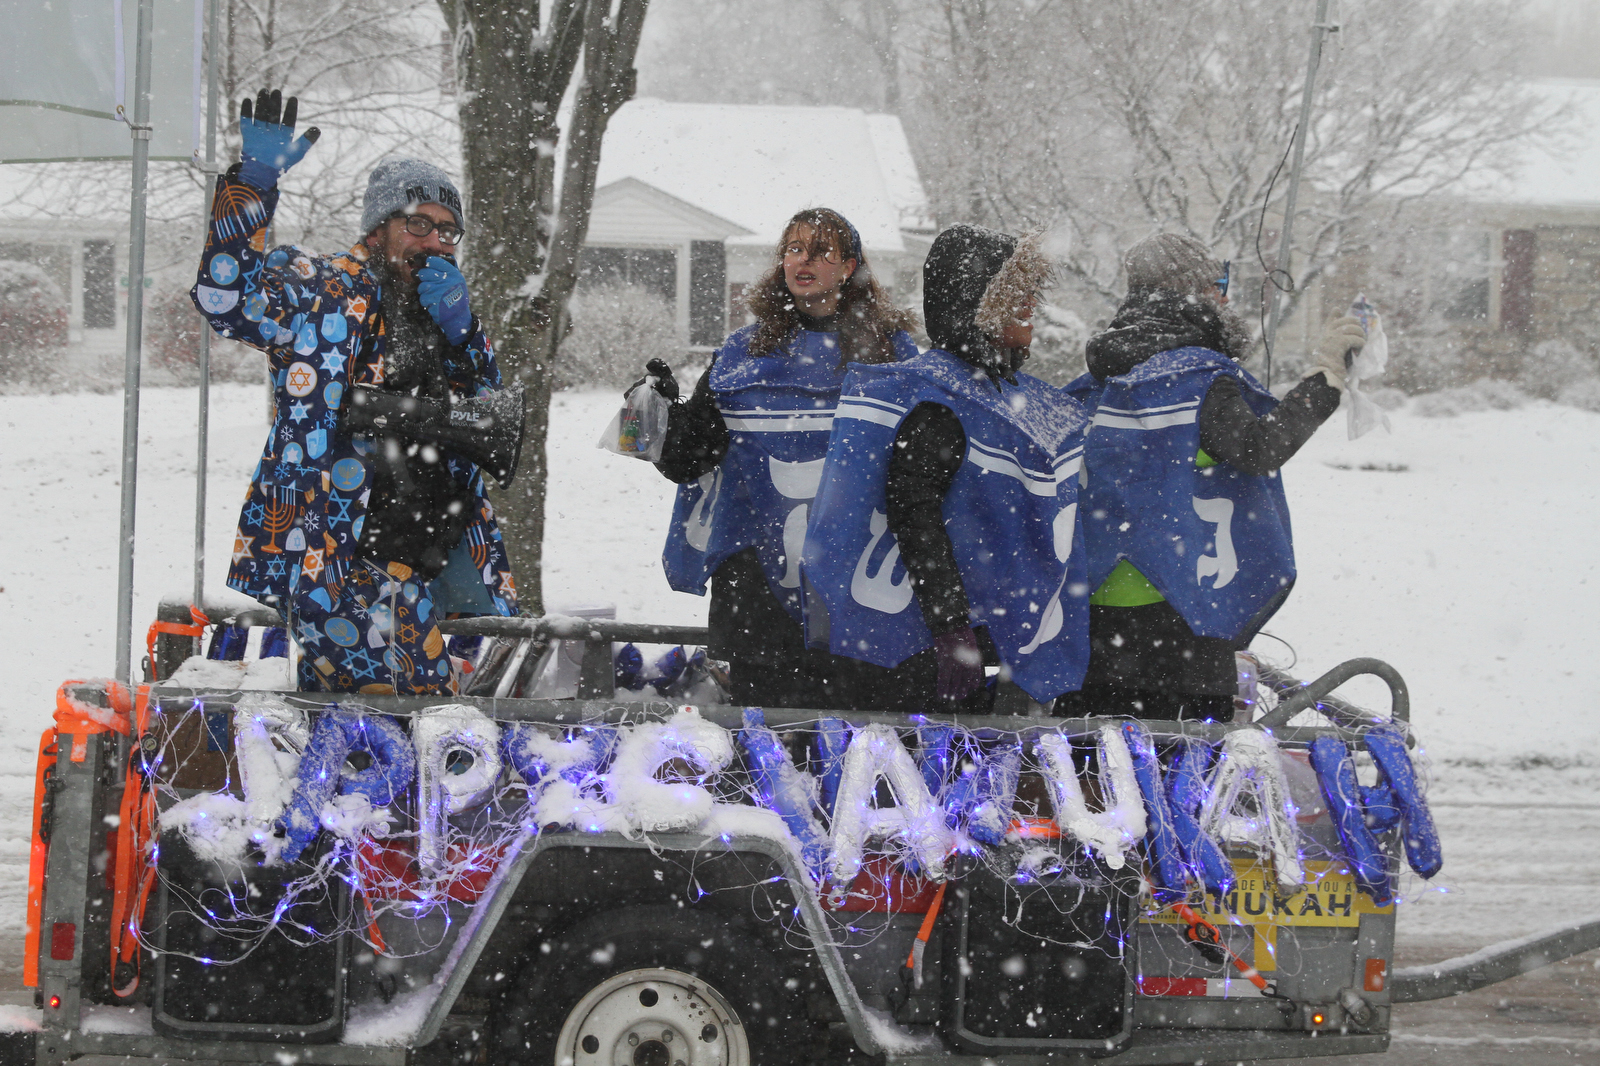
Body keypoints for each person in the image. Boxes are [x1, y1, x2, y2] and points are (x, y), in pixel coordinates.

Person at [191, 88, 518, 695]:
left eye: (449, 231)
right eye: (418, 222)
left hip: (419, 567)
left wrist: (465, 332)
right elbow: (225, 297)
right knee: (376, 728)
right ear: (381, 224)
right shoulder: (325, 291)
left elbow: (491, 422)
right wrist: (253, 183)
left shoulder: (445, 313)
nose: (434, 241)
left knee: (410, 729)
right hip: (336, 558)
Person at [1060, 232, 1367, 720]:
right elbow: (1259, 447)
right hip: (1182, 610)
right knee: (1187, 771)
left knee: (1096, 773)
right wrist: (1327, 377)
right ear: (1194, 290)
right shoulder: (1198, 380)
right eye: (1218, 282)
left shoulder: (1096, 386)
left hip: (1092, 617)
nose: (1224, 295)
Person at [802, 224, 1092, 710]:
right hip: (919, 645)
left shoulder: (992, 391)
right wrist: (951, 628)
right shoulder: (942, 401)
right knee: (925, 772)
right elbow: (913, 512)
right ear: (975, 304)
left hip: (967, 635)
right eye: (1014, 294)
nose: (1030, 307)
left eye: (1031, 294)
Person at [648, 208, 919, 707]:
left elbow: (918, 475)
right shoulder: (743, 353)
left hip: (858, 596)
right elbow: (692, 459)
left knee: (857, 753)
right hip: (759, 604)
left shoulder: (894, 358)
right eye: (794, 248)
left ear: (850, 266)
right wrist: (661, 413)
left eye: (821, 251)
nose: (803, 260)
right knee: (774, 756)